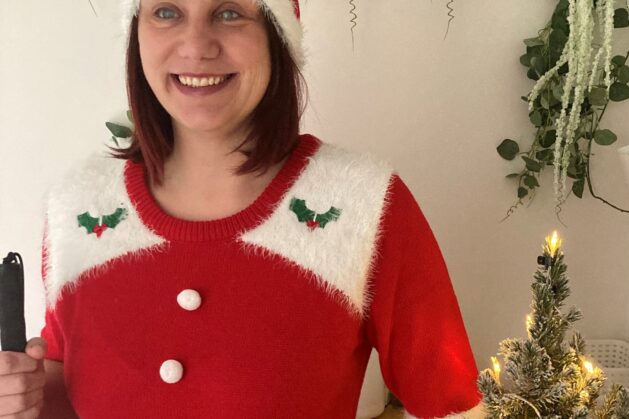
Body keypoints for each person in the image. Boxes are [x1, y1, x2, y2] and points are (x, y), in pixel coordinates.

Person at [0, 1, 485, 418]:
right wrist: (26, 397)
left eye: (230, 12)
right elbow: (72, 382)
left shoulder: (362, 205)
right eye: (167, 11)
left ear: (277, 35)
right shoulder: (79, 208)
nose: (196, 45)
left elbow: (452, 404)